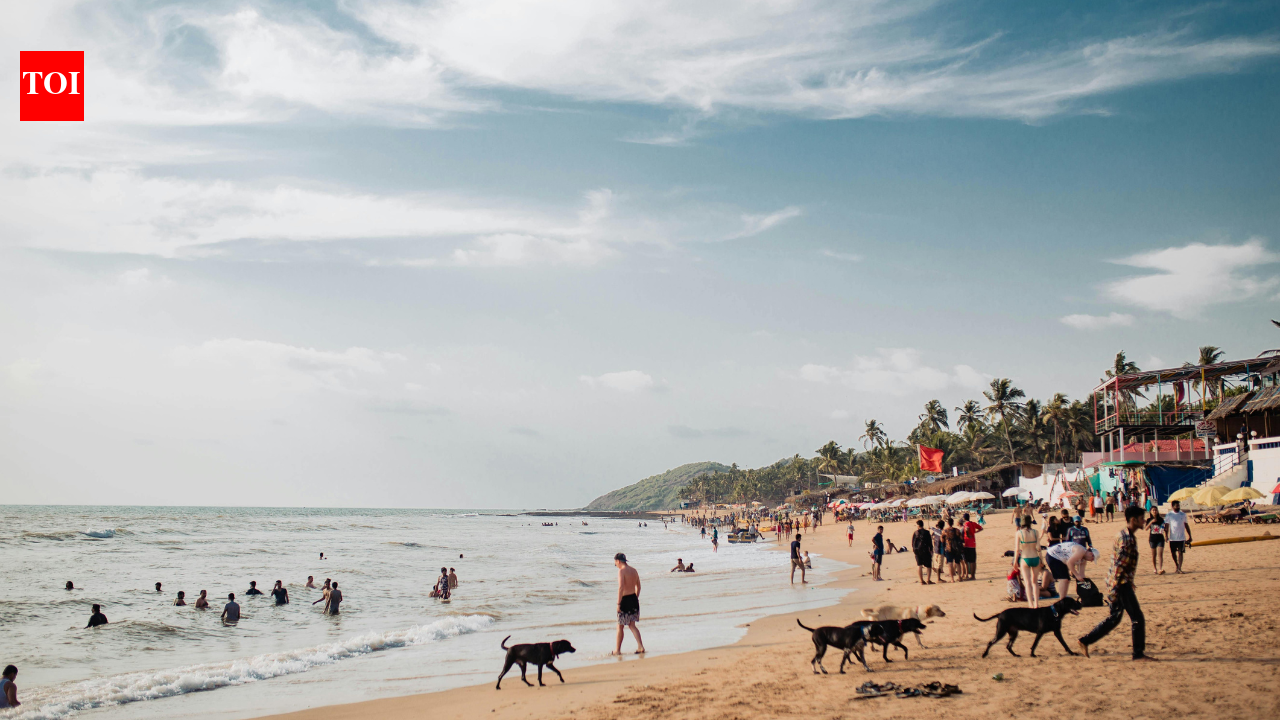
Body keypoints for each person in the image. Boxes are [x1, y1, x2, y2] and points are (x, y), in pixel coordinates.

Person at [1078, 506, 1153, 661]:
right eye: (1141, 518)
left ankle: (1086, 640)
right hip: (1120, 584)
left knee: (1115, 617)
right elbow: (1119, 565)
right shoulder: (1126, 538)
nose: (1143, 521)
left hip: (1120, 582)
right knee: (1137, 618)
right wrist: (1116, 588)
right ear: (1133, 520)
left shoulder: (1125, 535)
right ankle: (1138, 654)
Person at [613, 553, 645, 655]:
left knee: (620, 626)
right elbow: (639, 587)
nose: (616, 565)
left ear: (618, 561)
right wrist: (635, 598)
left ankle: (617, 650)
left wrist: (618, 604)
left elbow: (621, 587)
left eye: (615, 563)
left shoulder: (621, 571)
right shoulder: (634, 570)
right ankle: (640, 646)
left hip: (625, 600)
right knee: (632, 625)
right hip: (634, 599)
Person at [1013, 515, 1042, 609]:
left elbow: (1017, 549)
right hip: (1035, 557)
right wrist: (1042, 559)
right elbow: (1039, 548)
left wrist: (1015, 561)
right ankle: (1036, 604)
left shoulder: (1019, 533)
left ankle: (1030, 604)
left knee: (1027, 583)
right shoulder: (1035, 532)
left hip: (1025, 558)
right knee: (1035, 582)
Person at [1165, 500, 1192, 574]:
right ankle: (1176, 565)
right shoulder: (1169, 515)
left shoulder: (1183, 514)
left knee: (1180, 553)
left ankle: (1179, 568)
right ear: (1172, 506)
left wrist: (1190, 535)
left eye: (1178, 506)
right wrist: (1166, 535)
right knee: (1173, 553)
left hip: (1181, 537)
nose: (1178, 507)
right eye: (1176, 506)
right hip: (1172, 538)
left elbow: (1186, 525)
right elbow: (1166, 525)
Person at [911, 519, 934, 585]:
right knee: (928, 565)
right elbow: (930, 542)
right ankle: (928, 580)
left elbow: (913, 543)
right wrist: (931, 550)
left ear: (918, 525)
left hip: (917, 551)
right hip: (925, 550)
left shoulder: (915, 533)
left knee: (919, 565)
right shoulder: (926, 532)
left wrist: (914, 549)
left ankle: (921, 581)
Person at [962, 512, 983, 580]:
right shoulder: (973, 523)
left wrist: (968, 534)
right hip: (973, 543)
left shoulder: (966, 524)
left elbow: (967, 529)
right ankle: (973, 575)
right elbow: (981, 528)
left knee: (969, 560)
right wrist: (974, 532)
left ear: (964, 518)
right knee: (973, 561)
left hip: (968, 543)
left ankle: (970, 575)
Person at [1145, 509, 1166, 575]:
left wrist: (1166, 534)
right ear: (1151, 512)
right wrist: (1151, 522)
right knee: (1154, 555)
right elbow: (1146, 528)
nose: (1154, 511)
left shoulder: (1161, 519)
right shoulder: (1149, 520)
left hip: (1160, 538)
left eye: (1155, 510)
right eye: (1153, 510)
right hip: (1152, 538)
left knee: (1160, 554)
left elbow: (1164, 528)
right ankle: (1155, 568)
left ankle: (1160, 568)